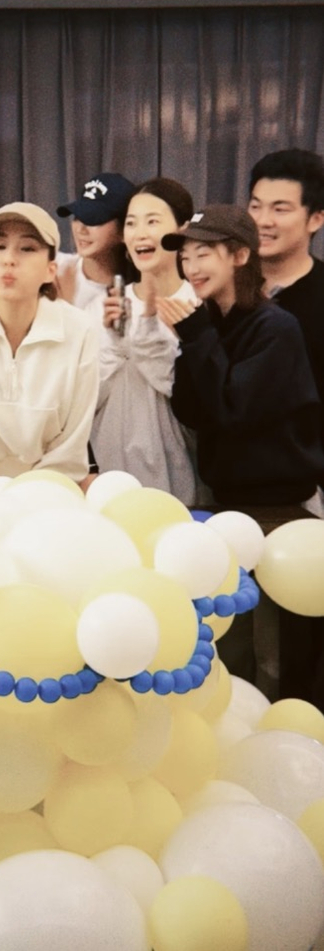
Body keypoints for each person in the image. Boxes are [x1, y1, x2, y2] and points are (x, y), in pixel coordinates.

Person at [158, 204, 323, 509]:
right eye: (185, 257)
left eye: (203, 254)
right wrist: (190, 340)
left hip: (284, 504)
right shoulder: (208, 326)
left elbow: (234, 412)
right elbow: (190, 412)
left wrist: (197, 337)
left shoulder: (275, 328)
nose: (191, 268)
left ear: (241, 256)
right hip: (226, 498)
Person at [0, 202, 99, 488]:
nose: (9, 259)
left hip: (51, 491)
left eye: (27, 249)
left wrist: (30, 496)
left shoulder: (80, 330)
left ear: (50, 270)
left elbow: (71, 446)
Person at [248, 150, 324, 709]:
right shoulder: (222, 290)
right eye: (256, 206)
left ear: (315, 218)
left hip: (307, 499)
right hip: (225, 494)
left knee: (297, 653)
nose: (263, 220)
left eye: (280, 208)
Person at [93, 177, 199, 505]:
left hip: (182, 475)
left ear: (182, 230)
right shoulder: (102, 306)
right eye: (131, 223)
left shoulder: (198, 303)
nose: (140, 233)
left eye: (152, 221)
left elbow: (198, 400)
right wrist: (112, 341)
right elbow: (85, 398)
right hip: (112, 473)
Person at [55, 173, 136, 317]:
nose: (81, 229)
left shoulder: (137, 295)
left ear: (124, 230)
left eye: (93, 219)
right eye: (78, 216)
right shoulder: (51, 269)